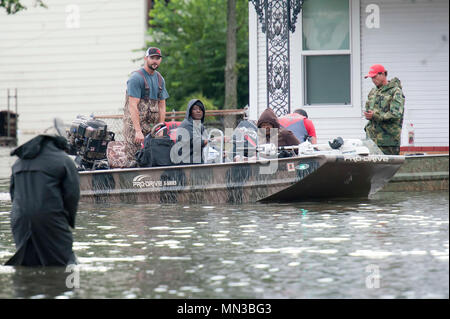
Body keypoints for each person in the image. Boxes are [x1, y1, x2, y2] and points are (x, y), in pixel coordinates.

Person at [6, 135, 80, 266]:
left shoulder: (18, 163)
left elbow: (13, 194)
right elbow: (72, 195)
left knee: (27, 266)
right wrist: (69, 221)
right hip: (50, 217)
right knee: (68, 266)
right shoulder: (63, 160)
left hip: (19, 220)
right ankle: (68, 286)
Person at [123, 46, 170, 167]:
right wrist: (138, 131)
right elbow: (132, 106)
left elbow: (162, 105)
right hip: (134, 127)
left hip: (152, 128)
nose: (155, 61)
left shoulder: (160, 79)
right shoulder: (136, 78)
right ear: (146, 58)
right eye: (152, 58)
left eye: (158, 58)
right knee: (134, 161)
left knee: (152, 160)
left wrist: (160, 127)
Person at [363, 64, 405, 155]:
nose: (373, 80)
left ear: (383, 74)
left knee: (387, 167)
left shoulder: (395, 91)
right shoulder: (373, 92)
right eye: (371, 78)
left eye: (375, 77)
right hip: (372, 141)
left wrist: (375, 116)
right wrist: (369, 115)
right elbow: (369, 109)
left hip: (388, 141)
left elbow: (395, 114)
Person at [174, 99, 209, 165]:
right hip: (186, 163)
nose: (198, 111)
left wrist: (218, 150)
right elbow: (198, 143)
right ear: (190, 111)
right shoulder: (187, 125)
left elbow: (207, 139)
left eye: (201, 109)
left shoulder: (199, 125)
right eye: (195, 109)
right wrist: (215, 140)